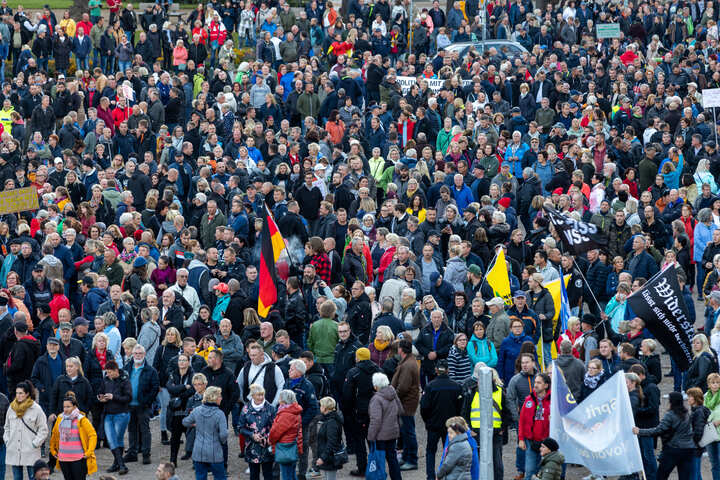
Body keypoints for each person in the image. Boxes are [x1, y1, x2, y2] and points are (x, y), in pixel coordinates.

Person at [633, 391, 696, 480]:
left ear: (672, 402)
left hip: (673, 449)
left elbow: (658, 430)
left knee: (661, 476)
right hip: (688, 449)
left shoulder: (670, 415)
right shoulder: (686, 414)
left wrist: (640, 431)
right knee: (684, 476)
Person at [420, 359, 463, 480]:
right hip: (451, 427)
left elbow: (424, 407)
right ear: (448, 370)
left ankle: (430, 476)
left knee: (431, 451)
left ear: (436, 370)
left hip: (433, 425)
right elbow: (461, 408)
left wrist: (428, 421)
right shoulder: (456, 386)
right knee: (450, 452)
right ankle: (448, 476)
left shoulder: (430, 386)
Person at [123, 344, 160, 465]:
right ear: (132, 354)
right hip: (129, 405)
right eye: (136, 353)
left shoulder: (151, 370)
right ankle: (132, 453)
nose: (138, 355)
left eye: (140, 353)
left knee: (145, 430)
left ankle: (145, 454)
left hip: (143, 405)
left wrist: (147, 401)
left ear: (144, 355)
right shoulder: (126, 369)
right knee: (131, 429)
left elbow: (155, 388)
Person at [4, 381, 48, 480]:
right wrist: (7, 441)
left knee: (33, 478)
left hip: (31, 450)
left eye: (21, 393)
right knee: (17, 478)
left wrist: (35, 443)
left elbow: (43, 429)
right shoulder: (11, 408)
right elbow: (7, 427)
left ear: (27, 394)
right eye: (17, 393)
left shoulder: (36, 409)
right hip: (14, 449)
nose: (18, 396)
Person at [182, 386, 228, 480]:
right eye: (219, 396)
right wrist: (221, 442)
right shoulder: (220, 414)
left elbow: (185, 422)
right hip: (215, 451)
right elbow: (224, 434)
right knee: (220, 477)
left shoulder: (197, 410)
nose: (221, 398)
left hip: (199, 451)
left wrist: (195, 424)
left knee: (200, 477)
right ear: (214, 398)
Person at [48, 391, 98, 480]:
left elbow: (92, 435)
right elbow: (55, 435)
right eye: (64, 407)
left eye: (68, 406)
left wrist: (89, 452)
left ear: (74, 407)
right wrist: (53, 449)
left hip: (78, 459)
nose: (65, 409)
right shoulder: (60, 418)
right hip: (63, 458)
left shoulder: (81, 419)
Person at [98, 359, 131, 475]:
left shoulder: (124, 380)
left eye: (110, 372)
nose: (108, 374)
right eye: (106, 372)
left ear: (116, 370)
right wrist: (101, 397)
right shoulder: (105, 380)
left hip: (121, 413)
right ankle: (121, 464)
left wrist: (113, 397)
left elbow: (128, 398)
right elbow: (100, 392)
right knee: (111, 440)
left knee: (117, 439)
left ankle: (117, 463)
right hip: (108, 413)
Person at [367, 372, 403, 480]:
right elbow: (400, 410)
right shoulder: (393, 393)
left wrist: (371, 436)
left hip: (380, 436)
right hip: (393, 433)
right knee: (393, 459)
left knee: (379, 462)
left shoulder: (376, 399)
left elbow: (375, 421)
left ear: (376, 385)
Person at [391, 338, 420, 471]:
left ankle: (412, 459)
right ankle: (407, 456)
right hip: (407, 403)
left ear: (401, 350)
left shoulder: (408, 365)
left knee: (408, 432)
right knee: (406, 431)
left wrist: (393, 397)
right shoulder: (409, 361)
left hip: (406, 404)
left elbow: (403, 387)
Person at [238, 384, 276, 480]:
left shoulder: (271, 408)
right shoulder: (246, 409)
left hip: (267, 447)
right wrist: (251, 435)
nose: (261, 397)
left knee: (268, 474)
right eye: (258, 395)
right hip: (252, 447)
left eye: (262, 395)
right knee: (254, 475)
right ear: (252, 396)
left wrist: (267, 436)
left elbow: (275, 427)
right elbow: (240, 427)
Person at [518, 373, 551, 480]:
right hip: (530, 441)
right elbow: (522, 420)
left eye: (539, 383)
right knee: (529, 472)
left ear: (546, 385)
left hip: (546, 443)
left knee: (544, 473)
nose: (535, 385)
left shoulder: (553, 400)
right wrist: (521, 439)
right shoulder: (529, 399)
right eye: (535, 382)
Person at [166, 353, 195, 466]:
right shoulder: (173, 374)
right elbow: (170, 388)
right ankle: (173, 460)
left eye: (184, 360)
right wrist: (183, 387)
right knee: (175, 437)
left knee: (192, 436)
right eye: (180, 360)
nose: (182, 362)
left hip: (189, 410)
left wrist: (179, 393)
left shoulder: (193, 375)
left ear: (188, 362)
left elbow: (192, 390)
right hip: (176, 410)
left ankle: (195, 460)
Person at [270, 389, 304, 480]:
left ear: (283, 399)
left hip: (285, 448)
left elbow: (276, 431)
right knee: (292, 473)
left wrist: (270, 440)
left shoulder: (286, 414)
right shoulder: (295, 411)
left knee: (286, 475)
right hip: (293, 446)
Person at [315, 396, 345, 480]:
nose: (320, 407)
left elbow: (331, 442)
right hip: (328, 457)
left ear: (325, 408)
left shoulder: (331, 422)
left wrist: (322, 457)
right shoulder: (329, 419)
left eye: (321, 406)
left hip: (330, 458)